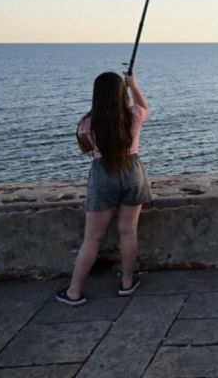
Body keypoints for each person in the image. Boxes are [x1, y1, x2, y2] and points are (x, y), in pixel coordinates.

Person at [57, 72, 152, 306]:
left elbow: (85, 147)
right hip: (133, 172)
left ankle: (74, 292)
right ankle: (127, 283)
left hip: (103, 174)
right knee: (128, 232)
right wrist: (133, 84)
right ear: (121, 93)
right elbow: (143, 107)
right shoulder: (133, 116)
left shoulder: (86, 123)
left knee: (92, 238)